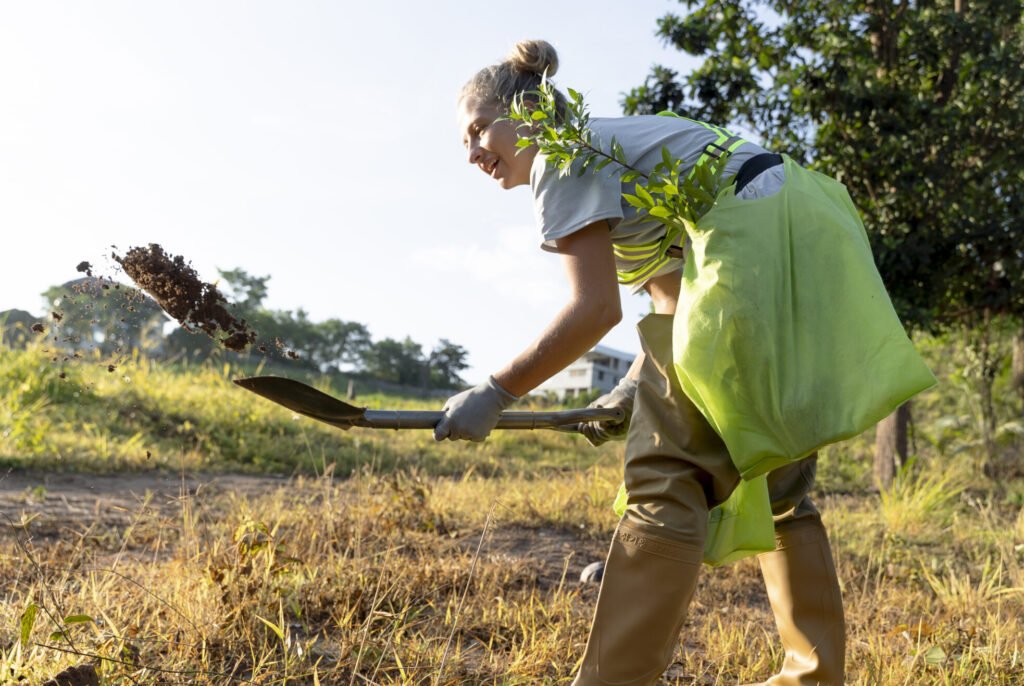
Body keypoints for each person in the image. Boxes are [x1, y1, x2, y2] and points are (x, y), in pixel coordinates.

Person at [435, 39, 846, 686]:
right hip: (808, 255)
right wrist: (630, 388)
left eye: (478, 129)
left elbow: (595, 311)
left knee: (663, 478)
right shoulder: (617, 149)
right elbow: (675, 296)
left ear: (528, 112)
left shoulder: (563, 156)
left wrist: (496, 390)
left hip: (756, 262)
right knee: (781, 487)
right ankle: (814, 676)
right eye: (464, 142)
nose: (471, 153)